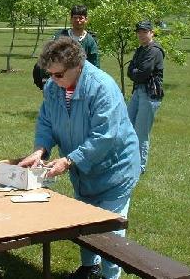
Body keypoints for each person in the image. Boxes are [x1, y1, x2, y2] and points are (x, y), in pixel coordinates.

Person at [19, 37, 140, 279]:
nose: (53, 80)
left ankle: (109, 275)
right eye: (50, 74)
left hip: (115, 170)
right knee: (84, 221)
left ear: (78, 66)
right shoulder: (54, 88)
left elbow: (104, 136)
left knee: (110, 230)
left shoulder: (102, 87)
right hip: (82, 171)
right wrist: (40, 149)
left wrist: (69, 160)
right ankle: (89, 268)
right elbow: (46, 121)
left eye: (58, 74)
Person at [127, 21, 165, 174]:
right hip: (138, 91)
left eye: (145, 32)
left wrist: (136, 72)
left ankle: (140, 166)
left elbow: (144, 73)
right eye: (139, 32)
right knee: (128, 126)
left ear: (152, 33)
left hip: (149, 94)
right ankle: (129, 160)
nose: (141, 35)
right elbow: (130, 71)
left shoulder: (154, 51)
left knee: (141, 133)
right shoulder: (141, 50)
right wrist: (136, 71)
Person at [33, 5, 100, 90]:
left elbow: (95, 65)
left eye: (81, 18)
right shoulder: (60, 36)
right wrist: (46, 81)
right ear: (71, 19)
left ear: (86, 19)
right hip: (58, 85)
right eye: (75, 17)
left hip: (79, 86)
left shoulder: (90, 41)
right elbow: (47, 58)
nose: (78, 20)